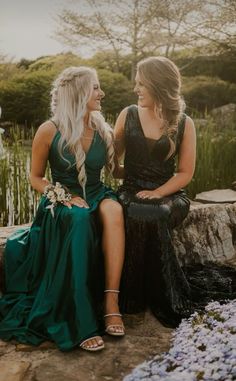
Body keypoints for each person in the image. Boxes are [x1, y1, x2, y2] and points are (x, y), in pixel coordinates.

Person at [0, 66, 125, 351]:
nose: (101, 93)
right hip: (60, 201)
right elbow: (35, 177)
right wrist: (62, 196)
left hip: (96, 192)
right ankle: (80, 320)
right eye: (95, 87)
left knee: (115, 210)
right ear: (78, 92)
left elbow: (116, 171)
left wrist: (156, 177)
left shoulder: (102, 129)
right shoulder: (49, 130)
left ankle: (111, 299)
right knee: (79, 218)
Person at [114, 56, 236, 327]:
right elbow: (115, 163)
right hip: (131, 191)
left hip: (171, 195)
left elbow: (184, 173)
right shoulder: (128, 114)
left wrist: (159, 192)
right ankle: (137, 293)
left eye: (141, 84)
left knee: (154, 213)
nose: (137, 90)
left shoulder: (184, 122)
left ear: (158, 85)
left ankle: (153, 295)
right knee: (137, 211)